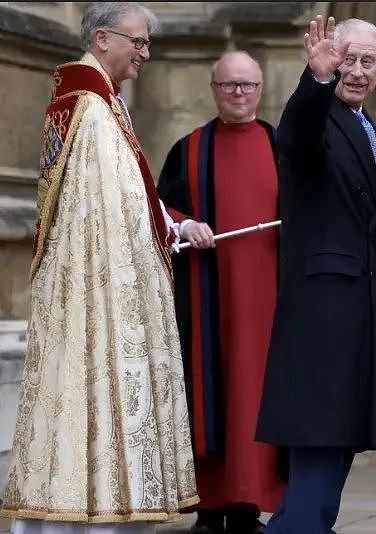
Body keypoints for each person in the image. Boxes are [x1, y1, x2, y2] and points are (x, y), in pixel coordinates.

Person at [0, 2, 199, 533]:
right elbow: (104, 210)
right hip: (98, 287)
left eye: (149, 43)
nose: (146, 54)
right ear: (104, 38)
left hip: (103, 279)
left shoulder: (105, 102)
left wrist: (170, 227)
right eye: (138, 42)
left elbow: (132, 192)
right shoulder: (87, 105)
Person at [254, 15, 376, 534]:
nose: (355, 71)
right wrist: (316, 80)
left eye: (366, 62)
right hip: (321, 311)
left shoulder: (366, 124)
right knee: (317, 445)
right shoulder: (321, 115)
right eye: (347, 59)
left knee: (334, 450)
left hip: (354, 309)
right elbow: (296, 137)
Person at [156, 50, 285, 534]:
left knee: (256, 397)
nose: (239, 94)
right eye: (230, 85)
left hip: (270, 302)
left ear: (260, 89)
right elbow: (159, 209)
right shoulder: (189, 150)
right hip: (207, 300)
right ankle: (209, 508)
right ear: (214, 89)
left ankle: (248, 506)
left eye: (248, 85)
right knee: (208, 394)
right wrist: (186, 224)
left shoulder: (282, 146)